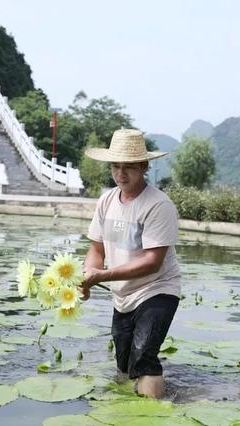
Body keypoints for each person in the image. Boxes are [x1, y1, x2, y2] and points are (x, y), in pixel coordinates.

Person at [80, 128, 181, 399]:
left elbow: (152, 262)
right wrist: (89, 273)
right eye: (115, 166)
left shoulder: (158, 205)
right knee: (124, 365)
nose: (121, 174)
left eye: (129, 167)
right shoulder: (106, 201)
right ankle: (127, 408)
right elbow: (96, 248)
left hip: (156, 290)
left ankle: (152, 415)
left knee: (144, 356)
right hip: (122, 294)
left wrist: (100, 276)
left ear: (144, 166)